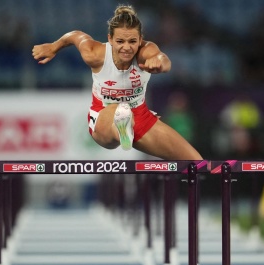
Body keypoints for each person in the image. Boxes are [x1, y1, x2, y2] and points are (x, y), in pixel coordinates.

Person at [32, 4, 202, 160]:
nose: (126, 48)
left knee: (197, 163)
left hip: (140, 116)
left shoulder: (146, 50)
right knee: (121, 110)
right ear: (110, 39)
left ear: (140, 40)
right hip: (103, 118)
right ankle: (122, 128)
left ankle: (127, 127)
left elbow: (164, 60)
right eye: (120, 41)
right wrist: (54, 46)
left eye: (132, 41)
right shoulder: (95, 54)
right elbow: (76, 36)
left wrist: (159, 63)